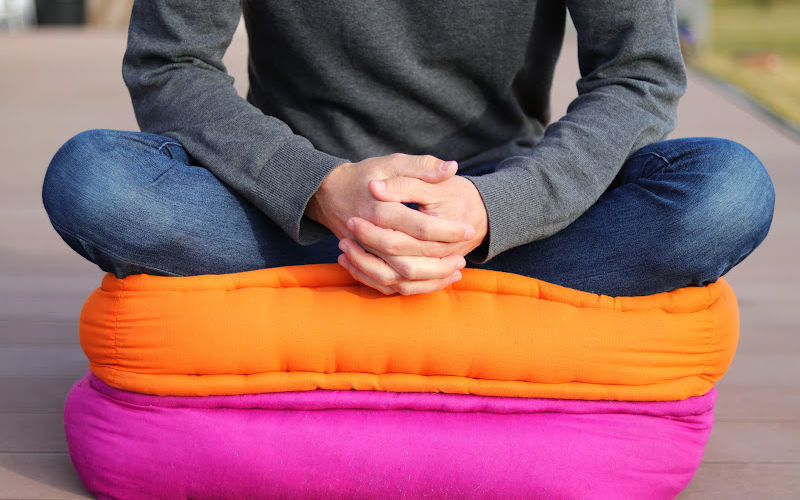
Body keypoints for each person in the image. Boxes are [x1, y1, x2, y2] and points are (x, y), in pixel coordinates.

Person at [42, 0, 774, 297]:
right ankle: (445, 280)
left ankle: (422, 264)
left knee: (725, 191)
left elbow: (636, 72)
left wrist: (493, 208)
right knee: (95, 179)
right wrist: (322, 187)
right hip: (289, 205)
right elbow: (171, 63)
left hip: (507, 206)